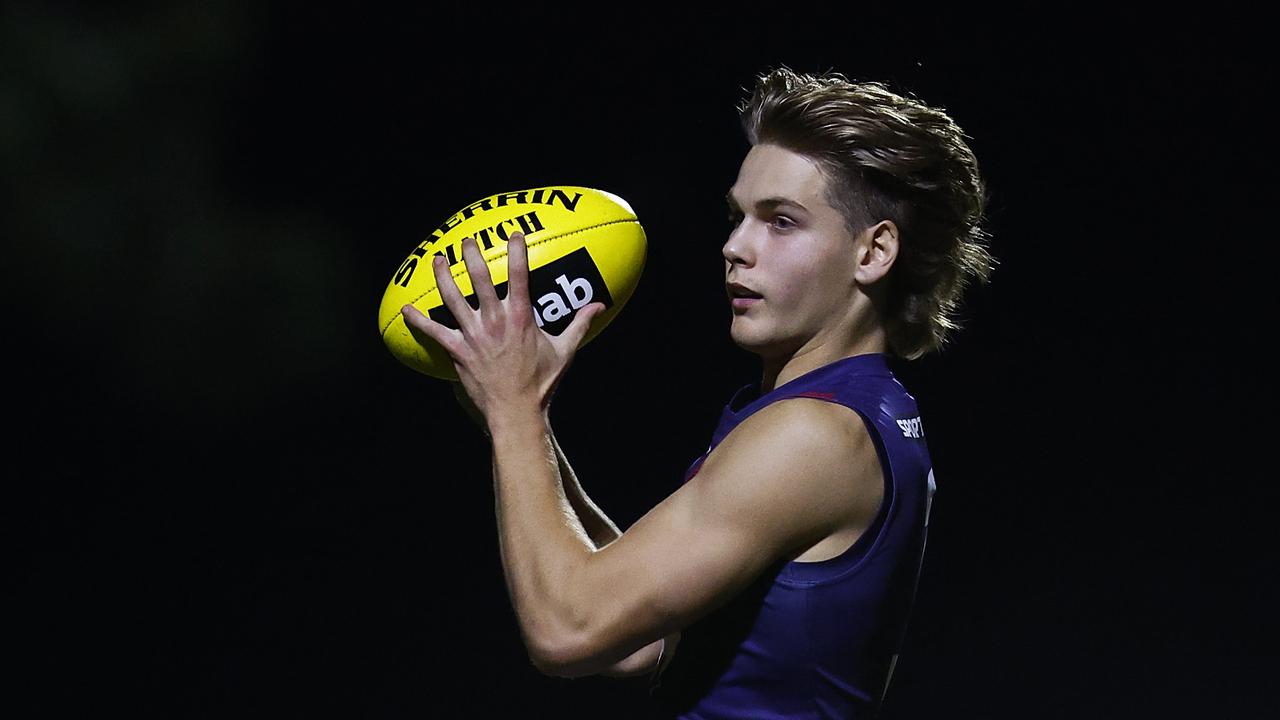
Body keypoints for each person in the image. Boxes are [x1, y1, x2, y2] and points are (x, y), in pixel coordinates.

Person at [400, 65, 994, 719]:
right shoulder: (849, 410)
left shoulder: (813, 434)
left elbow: (567, 632)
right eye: (737, 216)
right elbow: (639, 639)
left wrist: (517, 408)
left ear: (874, 252)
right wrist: (510, 415)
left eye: (781, 222)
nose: (735, 247)